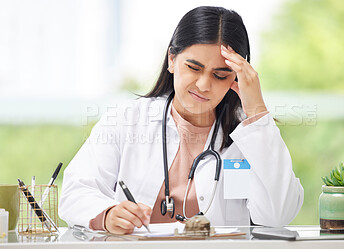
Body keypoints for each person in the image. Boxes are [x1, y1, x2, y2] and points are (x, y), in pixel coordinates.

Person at [59, 6, 304, 235]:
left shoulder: (250, 137)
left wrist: (258, 112)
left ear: (237, 78)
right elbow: (75, 192)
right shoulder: (126, 121)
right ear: (172, 60)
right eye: (194, 68)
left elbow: (277, 215)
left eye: (220, 75)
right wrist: (107, 214)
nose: (204, 85)